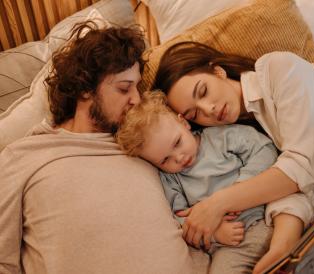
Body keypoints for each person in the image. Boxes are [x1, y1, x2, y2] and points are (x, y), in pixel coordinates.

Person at [0, 22, 195, 274]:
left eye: (137, 87)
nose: (136, 99)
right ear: (84, 89)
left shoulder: (145, 143)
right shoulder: (24, 155)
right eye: (124, 88)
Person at [151, 41, 314, 273]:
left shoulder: (277, 69)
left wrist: (216, 204)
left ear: (217, 71)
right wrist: (281, 250)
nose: (208, 109)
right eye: (194, 113)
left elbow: (300, 168)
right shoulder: (243, 138)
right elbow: (290, 187)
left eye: (203, 91)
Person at [116, 90, 277, 273]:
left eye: (177, 143)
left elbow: (265, 149)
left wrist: (242, 187)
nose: (179, 157)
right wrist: (215, 233)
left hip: (263, 217)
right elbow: (179, 220)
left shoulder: (221, 137)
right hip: (228, 245)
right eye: (165, 160)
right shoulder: (170, 179)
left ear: (183, 123)